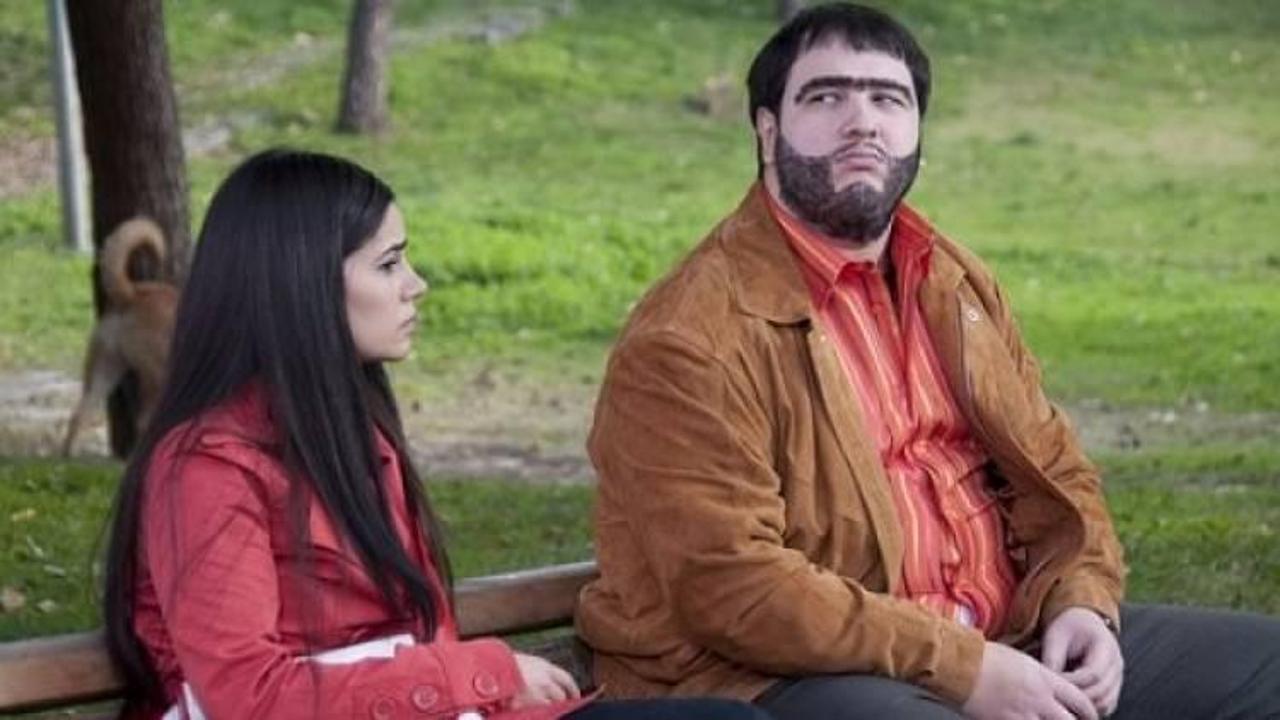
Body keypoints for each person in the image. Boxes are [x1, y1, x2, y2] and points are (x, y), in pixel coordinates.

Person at [576, 4, 1280, 719]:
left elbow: (1056, 471)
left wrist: (1082, 601)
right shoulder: (689, 336)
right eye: (826, 97)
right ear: (766, 131)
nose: (862, 121)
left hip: (1009, 640)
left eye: (889, 99)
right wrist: (965, 667)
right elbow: (734, 587)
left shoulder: (954, 282)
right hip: (777, 674)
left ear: (917, 131)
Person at [101, 149, 770, 720]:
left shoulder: (351, 431)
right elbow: (248, 697)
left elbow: (415, 634)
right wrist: (480, 673)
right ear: (302, 284)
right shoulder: (207, 468)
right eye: (388, 264)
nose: (415, 286)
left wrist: (474, 682)